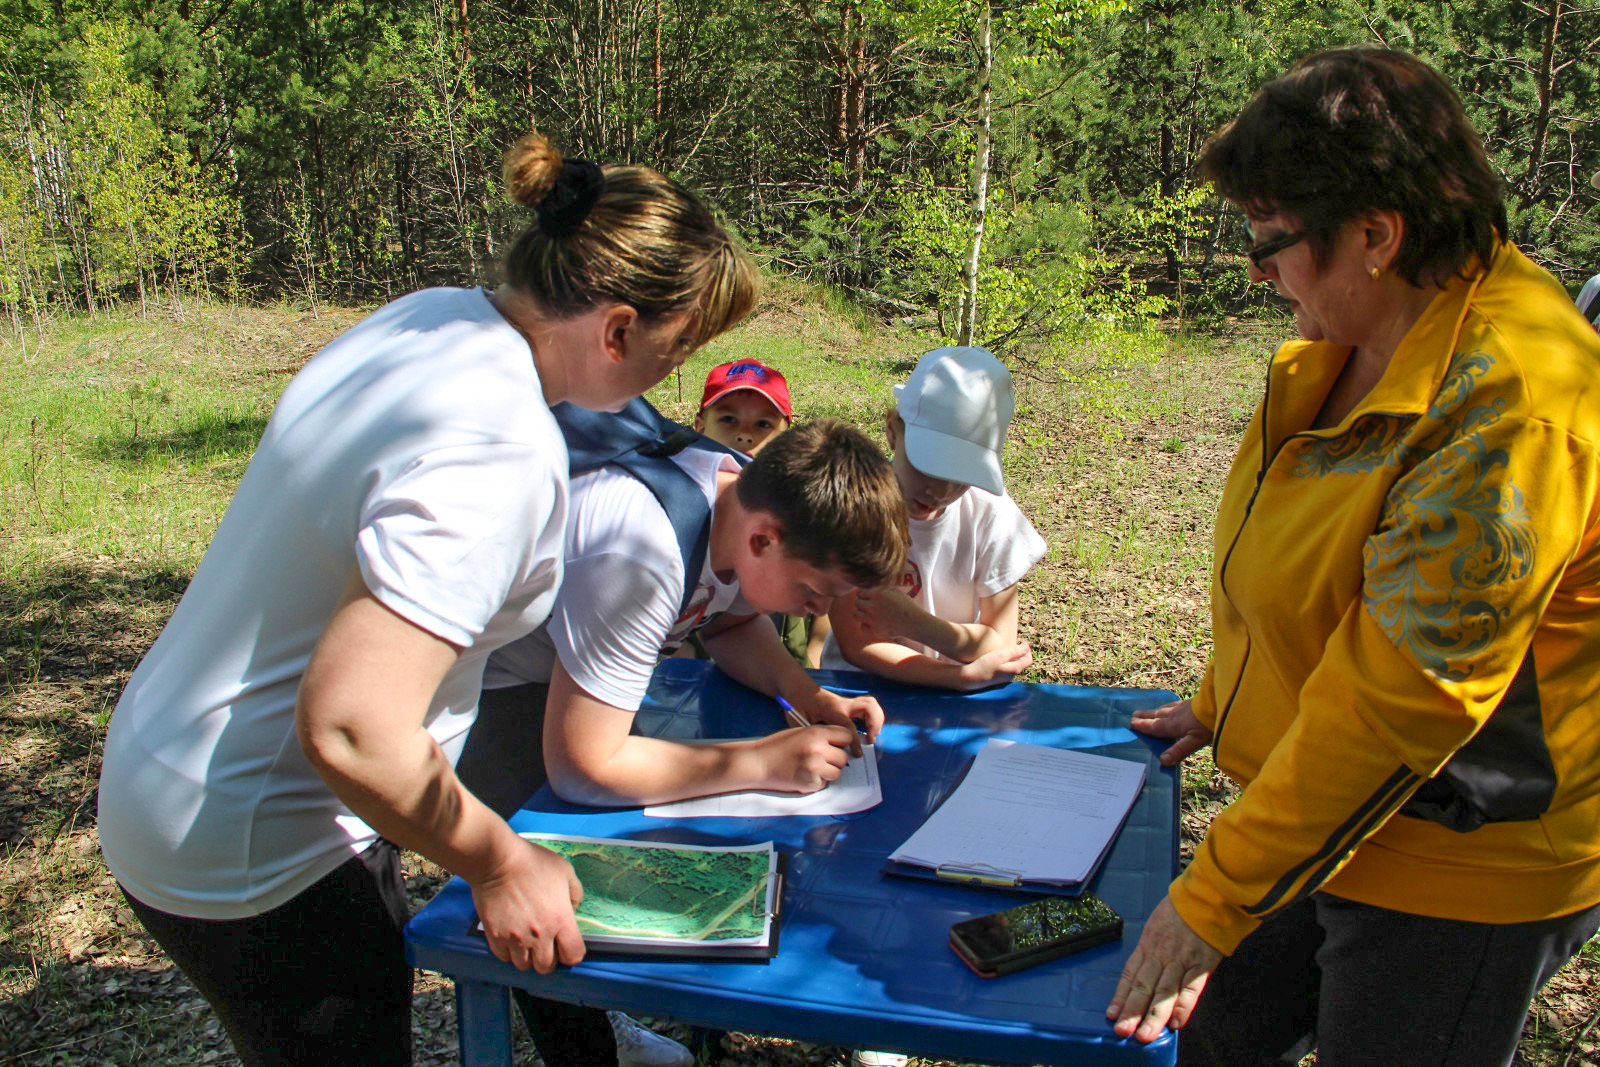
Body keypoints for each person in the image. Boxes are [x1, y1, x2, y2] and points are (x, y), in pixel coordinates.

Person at [95, 129, 758, 1066]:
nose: (674, 375)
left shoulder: (433, 317)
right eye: (679, 345)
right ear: (617, 329)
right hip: (264, 840)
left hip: (175, 763)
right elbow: (358, 729)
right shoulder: (497, 449)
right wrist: (500, 859)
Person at [1109, 48, 1600, 1067]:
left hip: (1457, 858)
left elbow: (1403, 693)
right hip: (1320, 805)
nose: (1253, 266)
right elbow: (1317, 569)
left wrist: (1212, 894)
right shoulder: (1372, 330)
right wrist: (1226, 693)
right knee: (1213, 1043)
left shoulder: (1509, 399)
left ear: (1375, 234)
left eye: (1270, 236)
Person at [464, 417, 907, 814]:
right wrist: (762, 762)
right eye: (812, 591)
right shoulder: (641, 559)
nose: (818, 611)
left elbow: (727, 624)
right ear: (763, 541)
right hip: (488, 685)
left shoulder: (746, 495)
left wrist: (808, 696)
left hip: (567, 673)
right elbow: (583, 769)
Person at [818, 345, 1042, 692]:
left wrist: (913, 623)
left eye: (963, 474)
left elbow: (1001, 642)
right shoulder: (854, 508)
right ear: (893, 430)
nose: (940, 490)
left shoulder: (991, 516)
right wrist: (960, 676)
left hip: (958, 704)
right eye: (929, 465)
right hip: (860, 689)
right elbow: (858, 644)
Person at [692, 357, 793, 455]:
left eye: (763, 424)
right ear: (700, 429)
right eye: (729, 419)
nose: (745, 435)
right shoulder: (680, 470)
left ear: (785, 439)